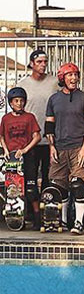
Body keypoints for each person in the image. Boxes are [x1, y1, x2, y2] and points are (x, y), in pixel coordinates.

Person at [45, 63, 84, 235]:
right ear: (62, 78)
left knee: (78, 185)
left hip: (78, 147)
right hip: (60, 148)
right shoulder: (53, 99)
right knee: (59, 187)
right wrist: (52, 147)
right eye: (70, 75)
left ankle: (79, 222)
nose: (74, 78)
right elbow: (49, 126)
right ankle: (64, 221)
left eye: (76, 75)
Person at [15, 50, 58, 192]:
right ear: (32, 64)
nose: (43, 64)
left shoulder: (54, 83)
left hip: (50, 139)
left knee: (49, 178)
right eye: (39, 62)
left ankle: (48, 208)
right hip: (29, 141)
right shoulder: (23, 84)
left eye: (45, 61)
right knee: (29, 179)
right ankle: (30, 211)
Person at [0, 88, 42, 229]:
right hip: (12, 159)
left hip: (28, 156)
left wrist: (24, 150)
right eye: (16, 101)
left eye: (22, 100)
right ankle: (17, 219)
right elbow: (1, 136)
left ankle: (37, 218)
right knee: (14, 189)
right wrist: (6, 150)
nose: (19, 103)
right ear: (11, 103)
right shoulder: (6, 119)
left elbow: (37, 136)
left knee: (30, 188)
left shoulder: (29, 117)